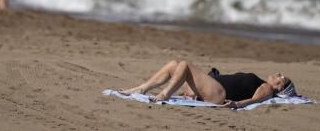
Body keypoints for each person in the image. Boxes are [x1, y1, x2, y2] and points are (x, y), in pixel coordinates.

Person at [119, 60, 296, 109]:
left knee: (185, 65)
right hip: (209, 89)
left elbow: (255, 100)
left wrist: (237, 104)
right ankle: (141, 88)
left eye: (282, 78)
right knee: (175, 64)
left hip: (219, 95)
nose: (279, 74)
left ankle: (164, 95)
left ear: (280, 88)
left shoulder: (266, 88)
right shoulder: (263, 82)